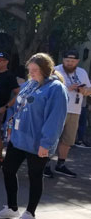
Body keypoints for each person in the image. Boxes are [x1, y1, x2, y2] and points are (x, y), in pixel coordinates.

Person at [0, 53, 68, 219]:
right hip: (19, 138)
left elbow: (56, 119)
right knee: (8, 169)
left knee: (35, 175)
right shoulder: (30, 83)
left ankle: (30, 213)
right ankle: (12, 208)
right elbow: (19, 106)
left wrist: (46, 143)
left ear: (46, 70)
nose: (31, 73)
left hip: (38, 141)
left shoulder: (56, 88)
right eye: (30, 70)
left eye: (35, 70)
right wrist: (10, 129)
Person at [44, 50, 91, 178]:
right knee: (52, 137)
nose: (69, 63)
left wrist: (84, 90)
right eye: (67, 61)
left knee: (68, 140)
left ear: (77, 61)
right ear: (63, 60)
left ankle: (61, 164)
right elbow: (46, 88)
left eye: (72, 61)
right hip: (57, 109)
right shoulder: (55, 71)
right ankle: (45, 164)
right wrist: (67, 88)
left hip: (75, 110)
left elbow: (89, 90)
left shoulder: (82, 72)